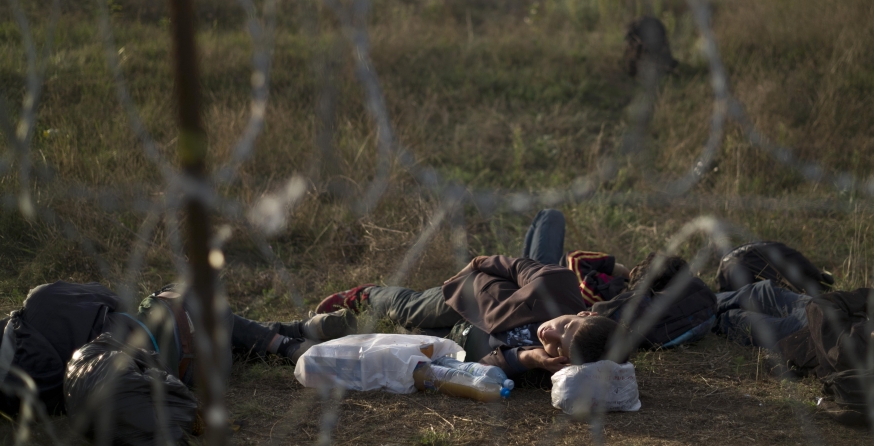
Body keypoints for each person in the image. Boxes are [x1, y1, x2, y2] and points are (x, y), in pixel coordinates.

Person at [316, 209, 625, 377]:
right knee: (409, 309)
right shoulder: (559, 284)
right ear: (584, 312)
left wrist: (528, 358)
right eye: (566, 326)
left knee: (413, 336)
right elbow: (512, 266)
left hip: (467, 336)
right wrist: (471, 269)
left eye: (559, 346)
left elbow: (483, 368)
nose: (550, 335)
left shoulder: (549, 364)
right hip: (474, 295)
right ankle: (365, 295)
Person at [0, 280, 353, 417]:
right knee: (174, 300)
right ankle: (288, 338)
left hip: (191, 373)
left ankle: (290, 337)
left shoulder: (23, 393)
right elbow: (115, 299)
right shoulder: (43, 300)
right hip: (189, 317)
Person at [713, 279, 874, 376]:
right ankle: (702, 297)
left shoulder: (846, 353)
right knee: (764, 291)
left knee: (736, 319)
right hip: (839, 314)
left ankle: (694, 311)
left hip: (806, 335)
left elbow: (822, 306)